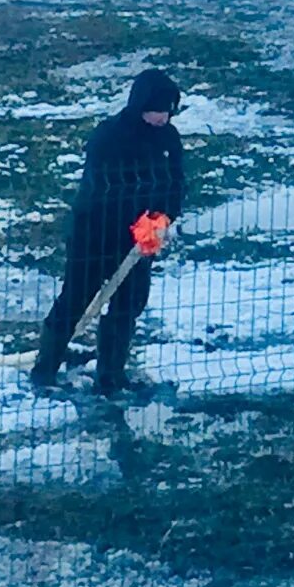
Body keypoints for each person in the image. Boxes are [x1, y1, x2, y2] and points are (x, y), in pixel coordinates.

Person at [31, 67, 187, 397]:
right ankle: (44, 371)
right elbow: (104, 188)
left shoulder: (168, 138)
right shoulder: (109, 136)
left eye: (168, 111)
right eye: (159, 109)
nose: (164, 117)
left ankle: (110, 376)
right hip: (96, 234)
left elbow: (176, 183)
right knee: (75, 299)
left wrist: (162, 218)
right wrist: (135, 221)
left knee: (128, 305)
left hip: (141, 239)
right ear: (142, 105)